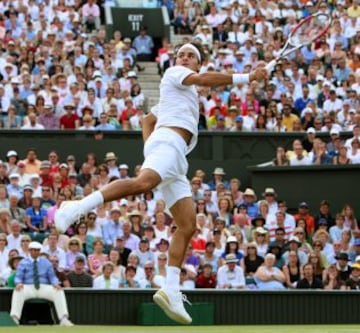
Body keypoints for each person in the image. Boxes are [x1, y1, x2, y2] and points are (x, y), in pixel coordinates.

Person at [55, 42, 267, 324]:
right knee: (143, 183)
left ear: (198, 62)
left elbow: (146, 120)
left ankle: (171, 289)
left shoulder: (180, 94)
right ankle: (77, 206)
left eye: (191, 55)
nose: (184, 57)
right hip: (168, 143)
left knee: (188, 224)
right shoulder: (175, 75)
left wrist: (149, 148)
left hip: (175, 156)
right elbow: (204, 80)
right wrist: (249, 77)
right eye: (181, 54)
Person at [10, 241, 74, 326]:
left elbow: (52, 277)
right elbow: (18, 276)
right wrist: (18, 283)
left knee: (58, 291)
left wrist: (55, 283)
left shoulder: (46, 262)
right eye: (34, 250)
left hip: (43, 287)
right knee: (18, 291)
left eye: (38, 250)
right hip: (28, 287)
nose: (36, 252)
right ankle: (15, 319)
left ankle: (63, 319)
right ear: (30, 250)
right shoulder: (23, 262)